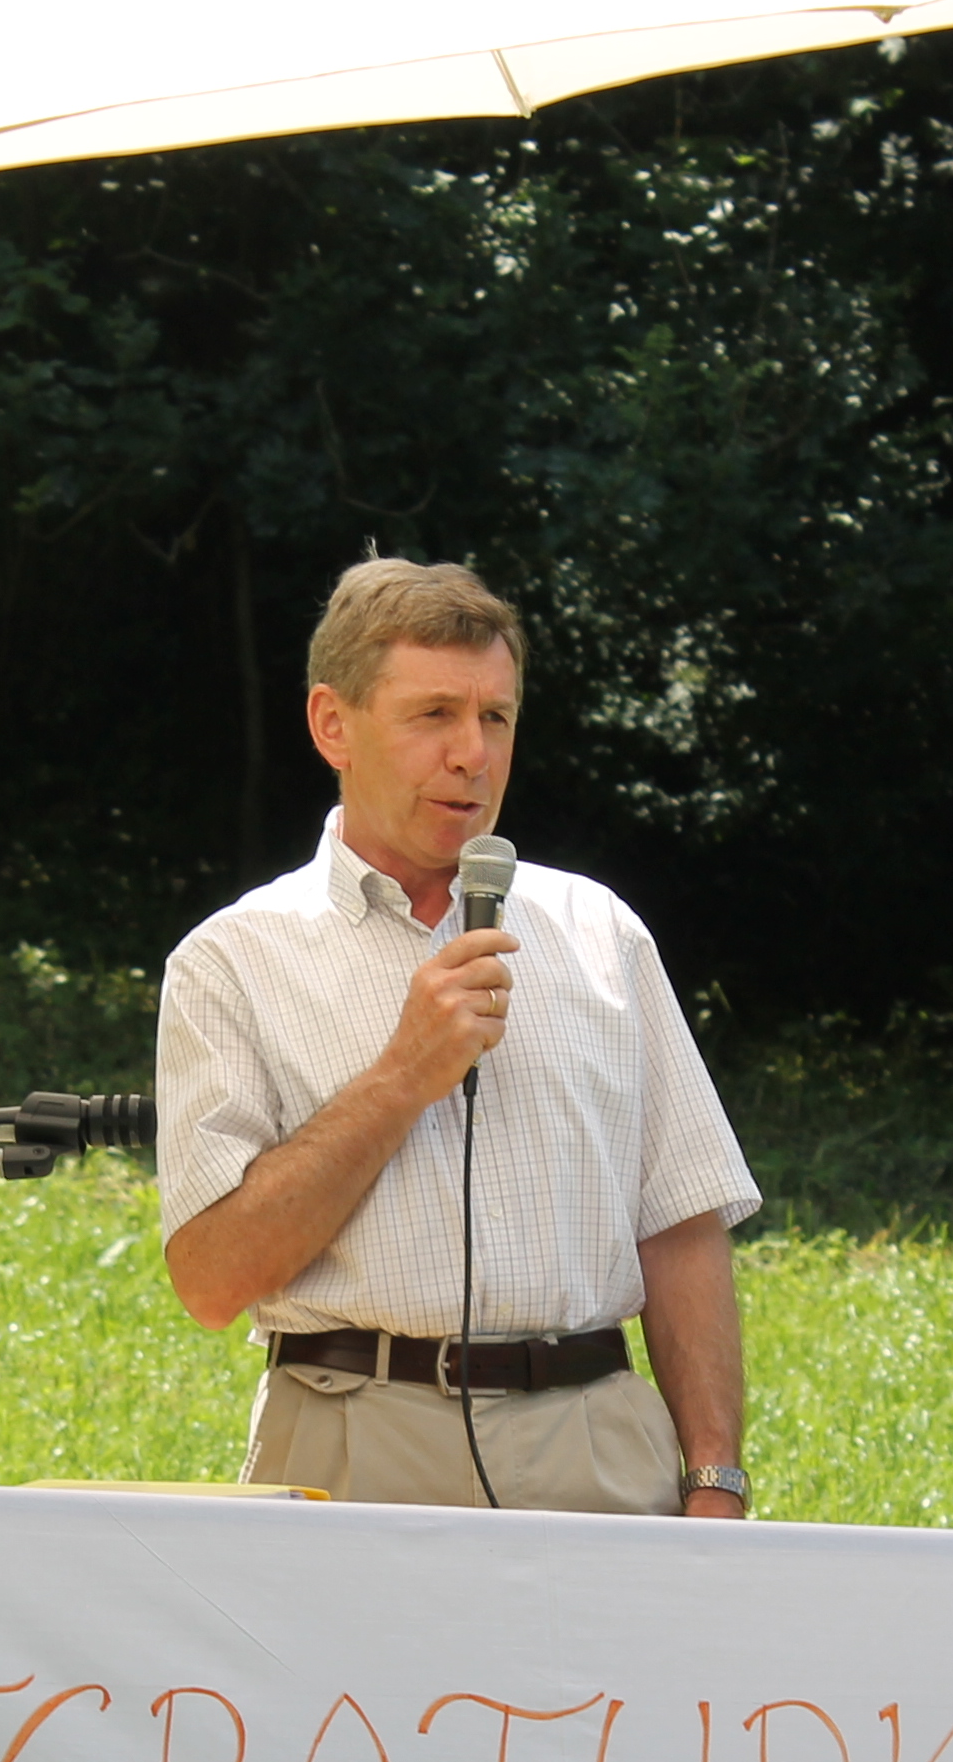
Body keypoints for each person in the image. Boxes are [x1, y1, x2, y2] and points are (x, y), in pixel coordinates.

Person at [155, 559, 758, 1514]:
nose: (473, 753)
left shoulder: (601, 932)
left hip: (593, 1446)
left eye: (496, 717)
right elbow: (211, 1281)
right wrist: (401, 1078)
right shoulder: (232, 960)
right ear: (332, 724)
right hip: (350, 1447)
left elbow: (681, 1226)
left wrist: (716, 1476)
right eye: (434, 714)